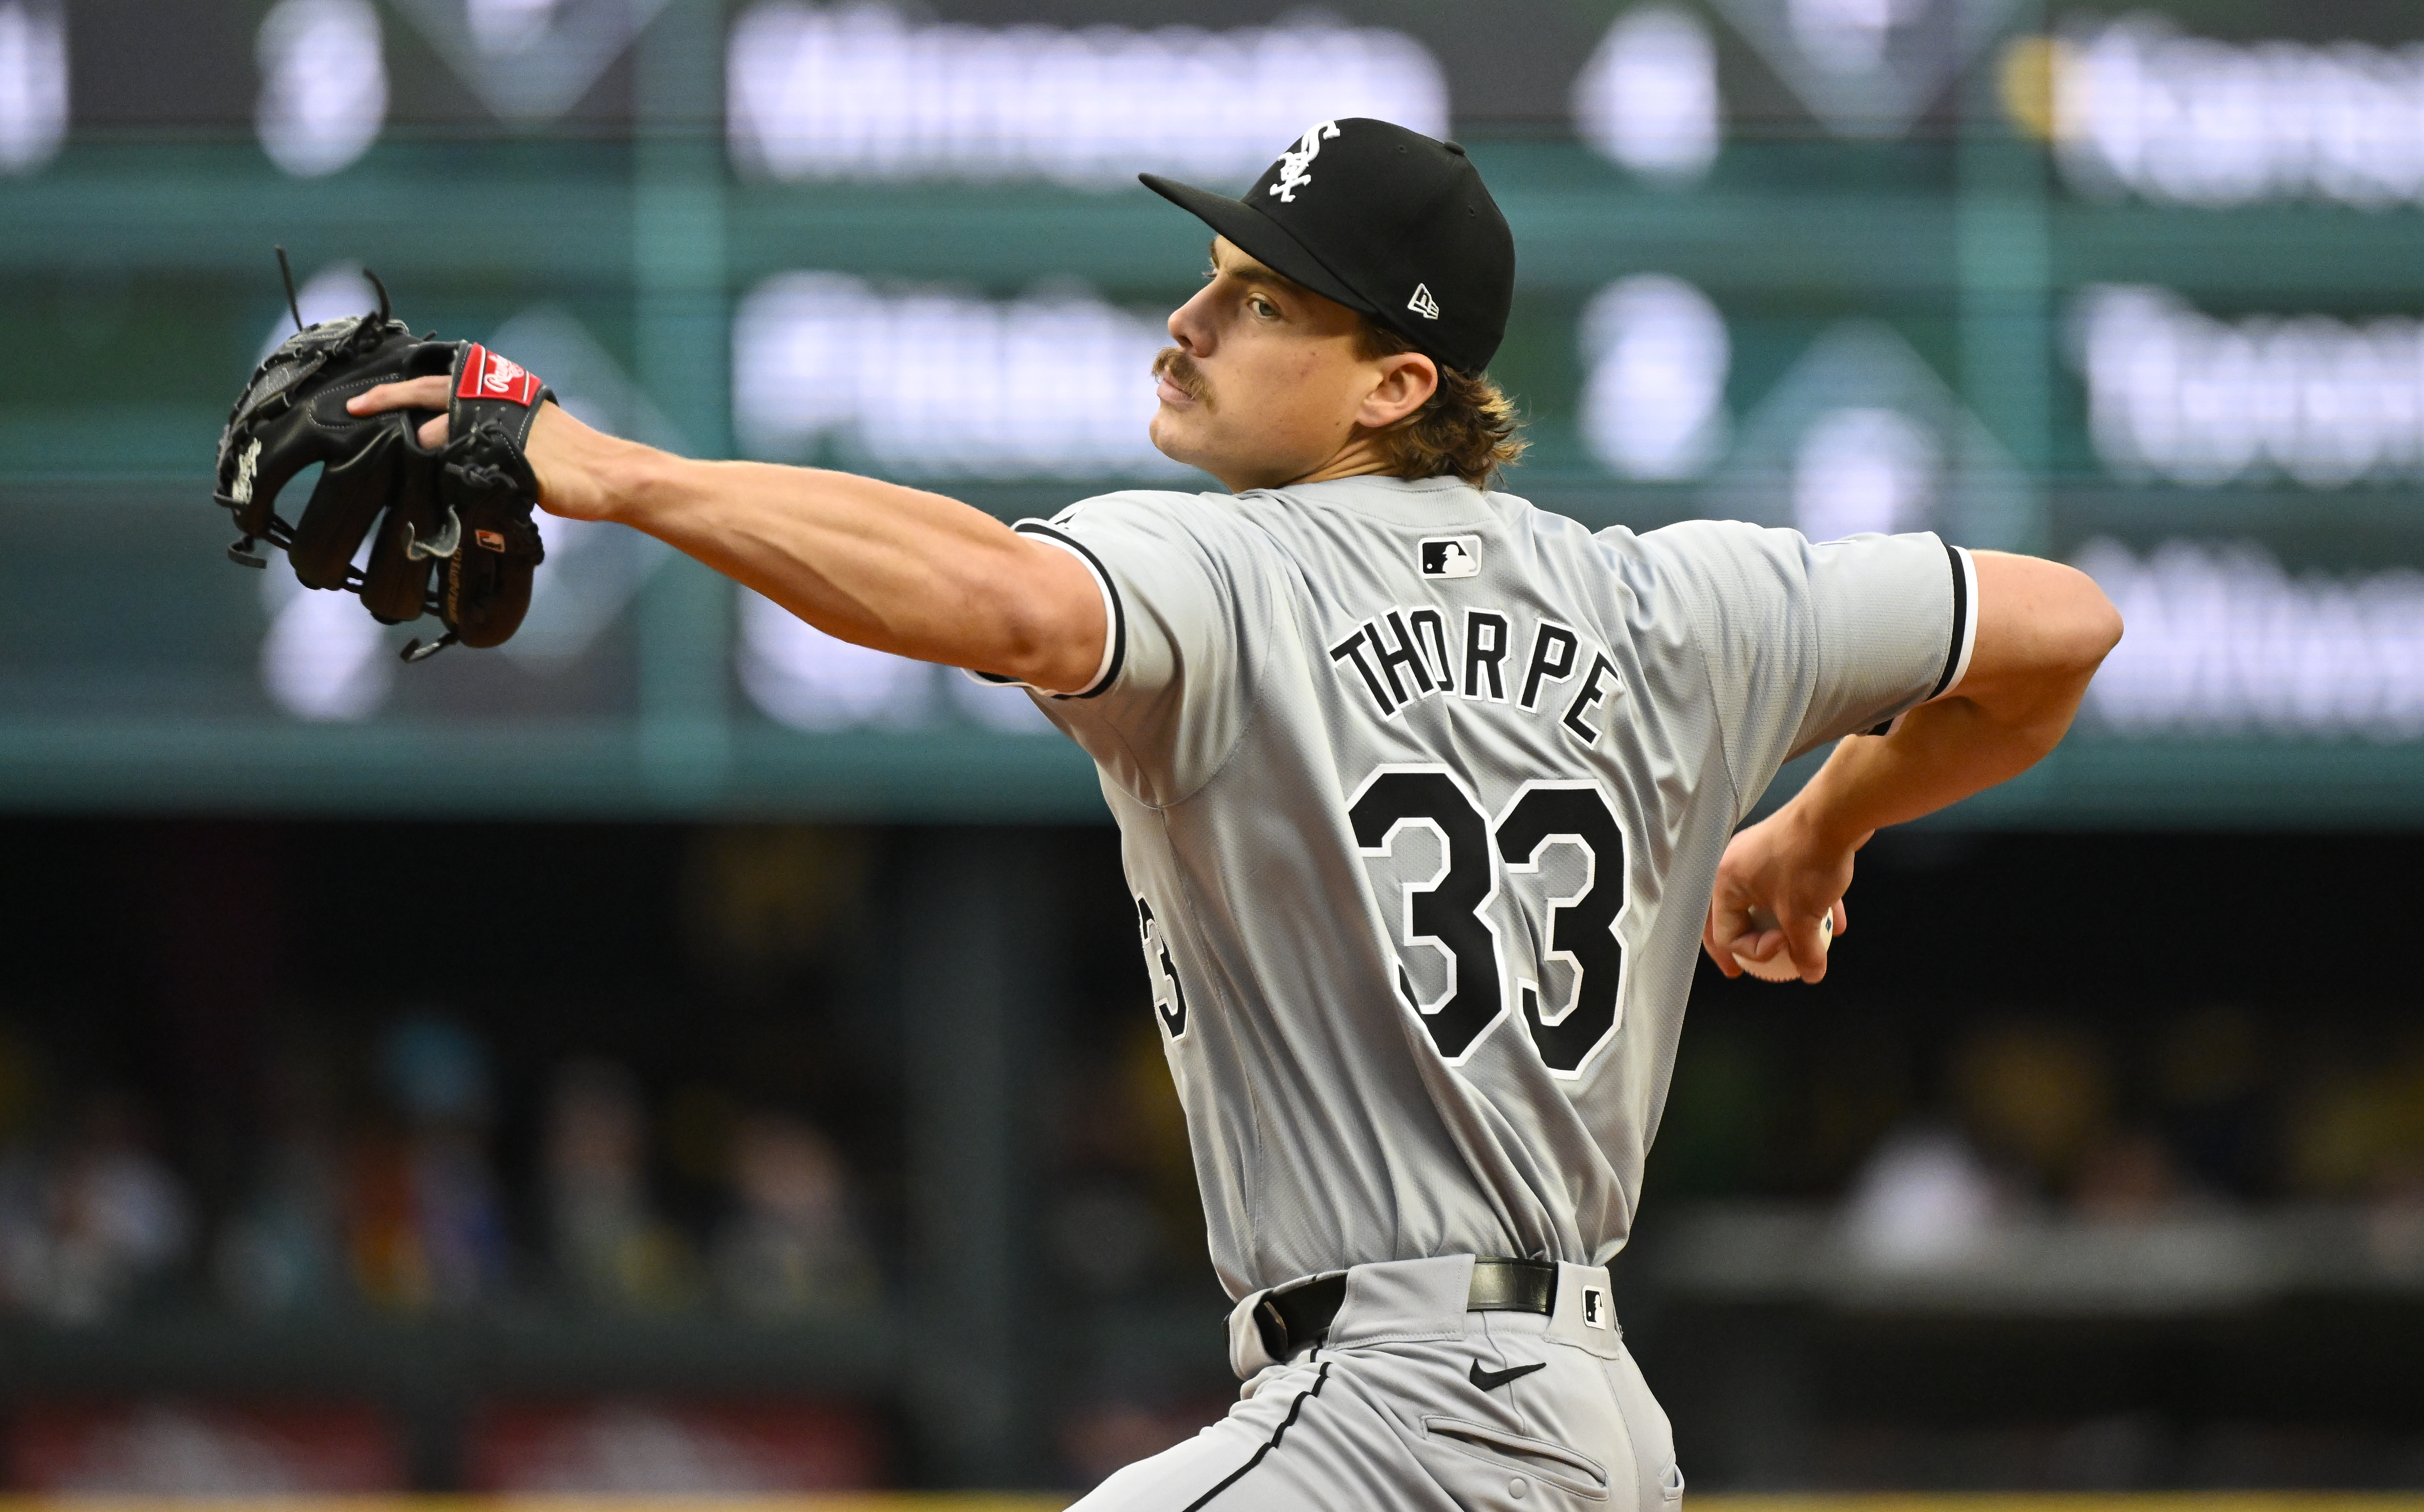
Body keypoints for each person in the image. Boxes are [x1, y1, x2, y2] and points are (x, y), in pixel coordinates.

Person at [348, 117, 2121, 1510]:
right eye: (1208, 274)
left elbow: (1003, 601)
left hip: (1397, 1422)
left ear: (1396, 385)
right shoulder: (1687, 602)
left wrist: (605, 466)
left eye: (1261, 299)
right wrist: (1828, 825)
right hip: (1589, 1424)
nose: (1187, 324)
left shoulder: (1222, 566)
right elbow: (2059, 629)